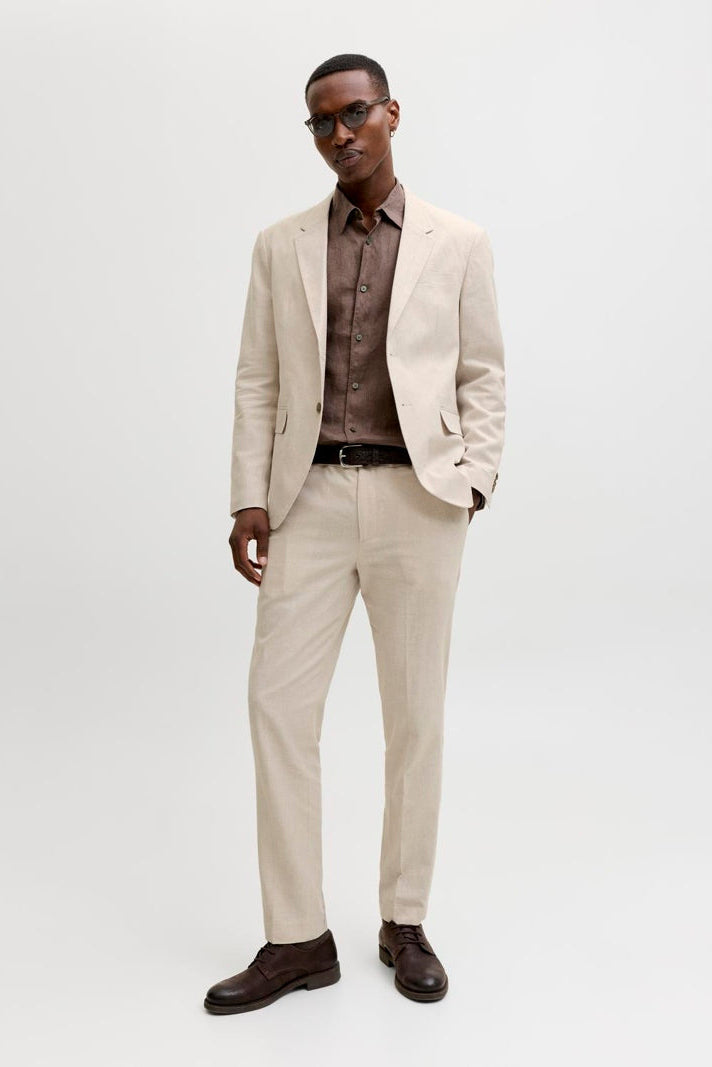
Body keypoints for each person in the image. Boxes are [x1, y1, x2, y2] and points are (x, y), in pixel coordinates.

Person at [204, 52, 506, 1014]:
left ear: (391, 114)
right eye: (322, 122)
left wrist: (475, 478)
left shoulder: (460, 241)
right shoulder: (280, 244)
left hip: (421, 498)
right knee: (278, 708)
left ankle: (403, 919)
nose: (340, 134)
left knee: (415, 717)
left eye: (354, 114)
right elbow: (257, 376)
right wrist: (248, 496)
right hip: (309, 500)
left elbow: (483, 373)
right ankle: (298, 937)